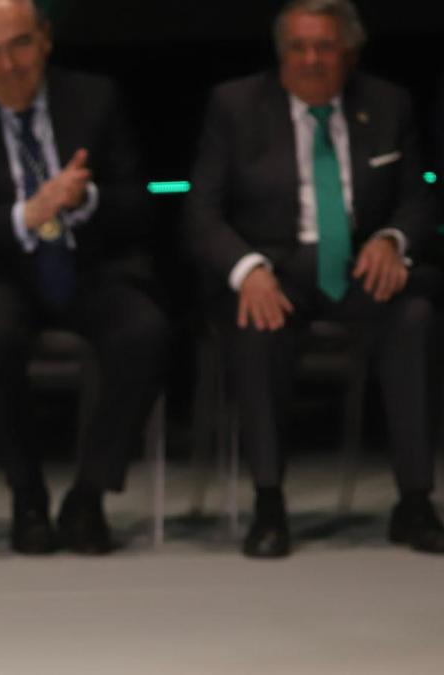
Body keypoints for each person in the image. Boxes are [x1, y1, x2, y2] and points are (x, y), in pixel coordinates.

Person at [184, 0, 444, 558]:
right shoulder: (234, 106)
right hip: (275, 270)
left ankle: (416, 501)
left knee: (416, 317)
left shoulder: (389, 104)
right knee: (255, 326)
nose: (310, 60)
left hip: (360, 270)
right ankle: (269, 502)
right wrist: (246, 269)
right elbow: (201, 213)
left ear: (348, 55)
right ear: (280, 56)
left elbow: (418, 202)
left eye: (324, 47)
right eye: (297, 48)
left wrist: (393, 240)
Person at [0, 0, 168, 555]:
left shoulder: (95, 99)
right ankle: (27, 495)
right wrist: (25, 214)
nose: (8, 64)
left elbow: (139, 208)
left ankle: (89, 495)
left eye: (20, 44)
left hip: (87, 266)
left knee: (144, 328)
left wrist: (84, 198)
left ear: (45, 39)